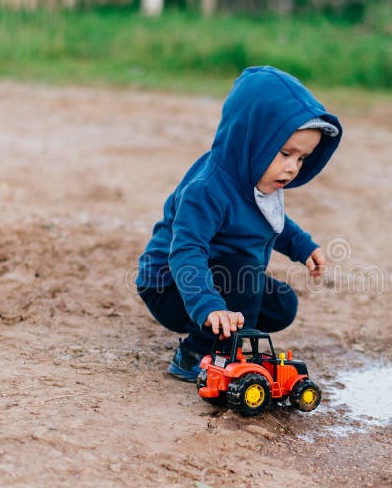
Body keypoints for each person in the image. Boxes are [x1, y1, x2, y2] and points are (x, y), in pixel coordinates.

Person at [135, 66, 342, 382]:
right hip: (170, 284)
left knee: (281, 304)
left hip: (222, 274)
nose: (292, 168)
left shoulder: (257, 179)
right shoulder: (207, 188)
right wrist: (209, 307)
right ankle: (196, 352)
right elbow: (186, 253)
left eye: (301, 158)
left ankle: (226, 330)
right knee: (244, 275)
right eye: (286, 153)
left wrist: (302, 245)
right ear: (250, 139)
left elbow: (270, 220)